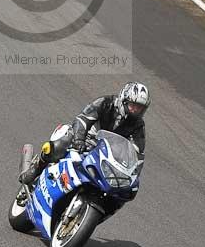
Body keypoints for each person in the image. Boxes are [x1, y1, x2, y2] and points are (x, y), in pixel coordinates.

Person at [20, 82, 151, 198]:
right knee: (57, 145)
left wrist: (133, 175)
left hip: (106, 155)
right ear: (124, 100)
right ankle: (36, 169)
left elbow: (137, 153)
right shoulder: (105, 103)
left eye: (140, 108)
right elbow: (83, 119)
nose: (135, 111)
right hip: (85, 139)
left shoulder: (138, 125)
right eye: (133, 105)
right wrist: (78, 139)